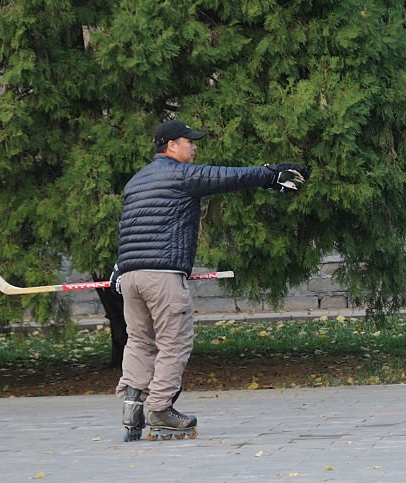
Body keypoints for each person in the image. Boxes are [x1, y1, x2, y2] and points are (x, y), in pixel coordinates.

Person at [113, 119, 309, 441]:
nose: (194, 146)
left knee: (139, 341)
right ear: (171, 145)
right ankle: (160, 409)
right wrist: (270, 174)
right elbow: (223, 177)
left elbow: (130, 228)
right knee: (174, 343)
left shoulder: (136, 181)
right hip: (162, 276)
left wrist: (120, 267)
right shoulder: (179, 174)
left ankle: (133, 408)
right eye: (189, 141)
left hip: (131, 274)